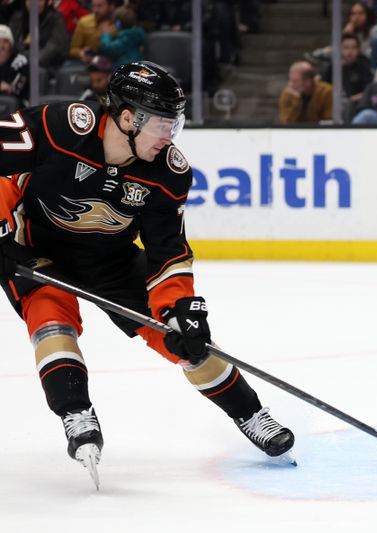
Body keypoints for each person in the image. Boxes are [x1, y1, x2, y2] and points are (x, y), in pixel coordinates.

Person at [0, 61, 295, 486]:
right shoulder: (59, 126)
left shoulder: (169, 173)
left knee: (190, 343)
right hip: (36, 251)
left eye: (174, 125)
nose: (169, 137)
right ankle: (75, 411)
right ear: (126, 118)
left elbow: (167, 251)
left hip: (113, 262)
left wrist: (179, 309)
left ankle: (252, 414)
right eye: (162, 124)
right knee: (51, 320)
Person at [9, 0, 70, 73]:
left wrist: (30, 60)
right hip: (18, 62)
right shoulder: (17, 18)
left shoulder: (55, 19)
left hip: (47, 65)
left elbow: (54, 46)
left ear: (46, 2)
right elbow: (11, 42)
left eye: (39, 1)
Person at [98, 5, 145, 69]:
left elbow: (108, 48)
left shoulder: (126, 38)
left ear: (118, 23)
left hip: (125, 69)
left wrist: (106, 34)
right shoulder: (136, 35)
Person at [0, 23, 29, 107]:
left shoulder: (20, 61)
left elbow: (15, 90)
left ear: (11, 44)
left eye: (5, 41)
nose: (1, 46)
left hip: (18, 110)